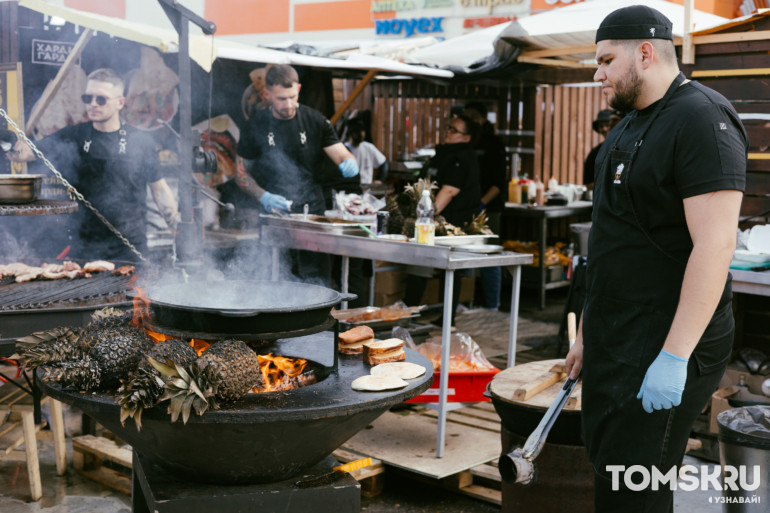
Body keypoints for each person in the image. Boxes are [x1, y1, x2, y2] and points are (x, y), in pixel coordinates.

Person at [565, 6, 747, 512]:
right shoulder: (627, 124)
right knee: (611, 468)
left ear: (645, 53)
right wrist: (589, 334)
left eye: (605, 60)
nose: (597, 74)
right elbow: (613, 238)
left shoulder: (702, 118)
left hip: (669, 338)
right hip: (619, 329)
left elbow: (716, 247)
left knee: (637, 481)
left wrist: (674, 357)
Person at [6, 68, 179, 262]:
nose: (93, 105)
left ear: (120, 103)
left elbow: (160, 190)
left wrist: (178, 231)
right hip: (85, 248)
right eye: (88, 98)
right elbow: (23, 154)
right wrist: (8, 140)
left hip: (130, 247)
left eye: (101, 99)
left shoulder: (141, 141)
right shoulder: (74, 135)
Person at [234, 64, 358, 283]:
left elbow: (342, 155)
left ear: (299, 88)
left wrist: (350, 162)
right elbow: (241, 173)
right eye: (281, 99)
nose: (288, 105)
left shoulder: (315, 121)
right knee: (276, 279)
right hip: (275, 217)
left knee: (317, 281)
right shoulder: (256, 126)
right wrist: (263, 196)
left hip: (312, 215)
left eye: (292, 96)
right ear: (267, 94)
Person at [405, 115, 481, 325]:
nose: (448, 132)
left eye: (454, 130)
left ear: (466, 138)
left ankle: (435, 316)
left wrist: (427, 216)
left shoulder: (463, 157)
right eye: (448, 127)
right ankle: (417, 312)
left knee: (435, 264)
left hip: (451, 221)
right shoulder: (443, 153)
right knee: (427, 262)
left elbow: (449, 190)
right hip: (434, 217)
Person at [463, 102, 506, 311]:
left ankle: (493, 306)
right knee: (466, 255)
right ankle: (466, 300)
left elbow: (499, 182)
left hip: (489, 209)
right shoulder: (470, 142)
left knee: (489, 256)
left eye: (473, 116)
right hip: (468, 207)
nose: (470, 120)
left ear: (482, 118)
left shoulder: (494, 143)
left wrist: (482, 203)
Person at [583, 108, 622, 189]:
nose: (604, 129)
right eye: (601, 126)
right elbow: (588, 184)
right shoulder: (594, 153)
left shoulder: (626, 149)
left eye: (607, 125)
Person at [344, 117, 387, 185]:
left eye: (362, 130)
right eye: (357, 131)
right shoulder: (343, 149)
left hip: (367, 189)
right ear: (351, 132)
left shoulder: (368, 147)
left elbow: (384, 164)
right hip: (350, 189)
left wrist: (380, 179)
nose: (361, 134)